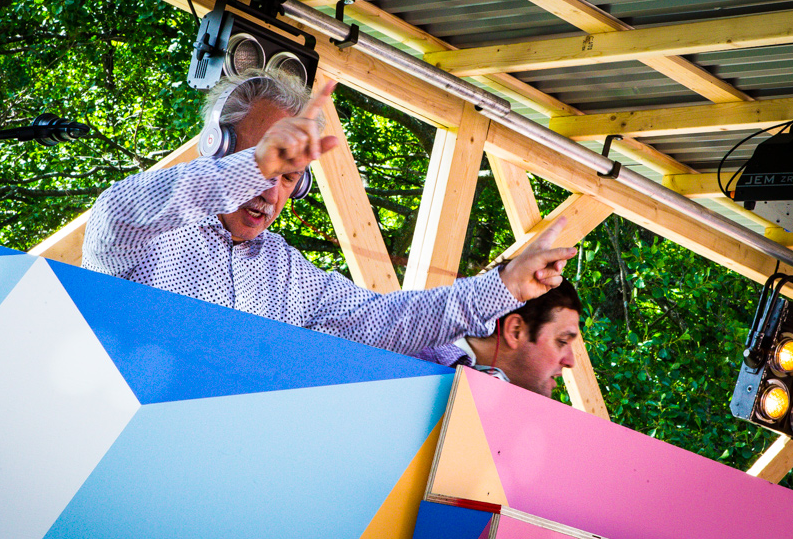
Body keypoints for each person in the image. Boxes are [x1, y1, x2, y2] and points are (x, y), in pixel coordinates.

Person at [82, 69, 576, 357]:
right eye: (263, 162)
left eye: (288, 175)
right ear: (217, 146)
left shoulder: (288, 272)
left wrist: (505, 286)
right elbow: (119, 211)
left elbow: (387, 322)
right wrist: (254, 166)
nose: (269, 191)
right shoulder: (146, 232)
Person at [416, 278, 582, 397]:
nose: (570, 361)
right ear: (515, 331)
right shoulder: (412, 362)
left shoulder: (515, 407)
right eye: (562, 341)